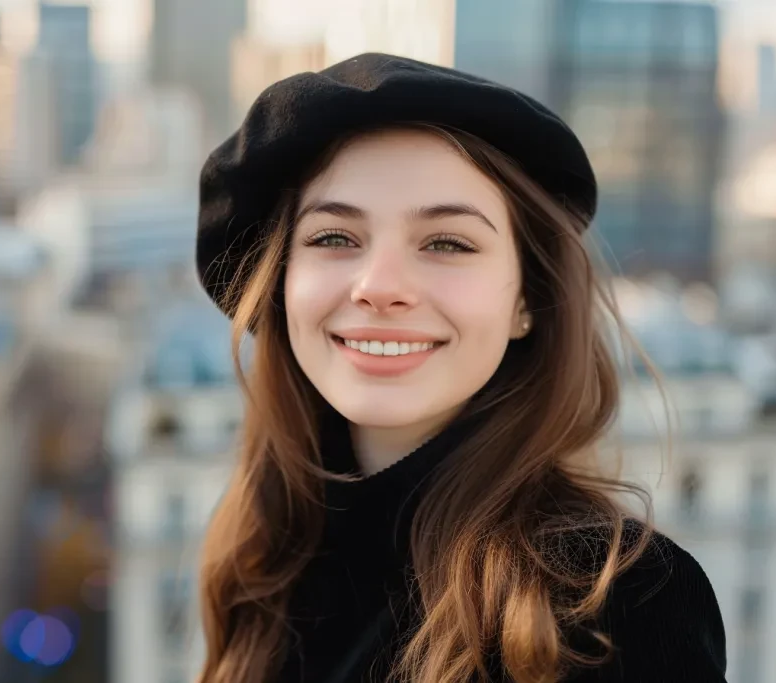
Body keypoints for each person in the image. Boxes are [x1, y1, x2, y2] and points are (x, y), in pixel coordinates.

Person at [193, 53, 727, 683]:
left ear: (527, 299)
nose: (379, 287)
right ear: (279, 286)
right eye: (333, 237)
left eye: (447, 243)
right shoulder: (262, 567)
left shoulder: (617, 604)